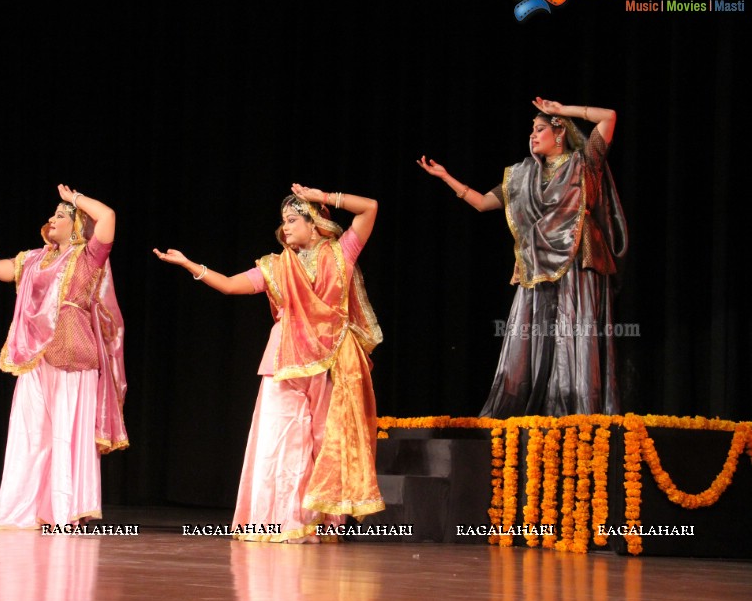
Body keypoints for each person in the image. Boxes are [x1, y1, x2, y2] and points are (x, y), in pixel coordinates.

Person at [154, 183, 384, 543]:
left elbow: (369, 207)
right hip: (284, 360)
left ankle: (321, 523)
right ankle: (280, 520)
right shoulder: (277, 267)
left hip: (330, 360)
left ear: (315, 223)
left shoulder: (340, 255)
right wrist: (189, 265)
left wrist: (323, 197)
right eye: (284, 221)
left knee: (326, 441)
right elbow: (230, 286)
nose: (285, 227)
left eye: (293, 220)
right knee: (278, 440)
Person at [418, 97, 627, 418]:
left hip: (576, 261)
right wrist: (447, 178)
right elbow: (482, 203)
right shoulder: (522, 176)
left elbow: (609, 117)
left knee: (575, 331)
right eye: (532, 130)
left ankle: (578, 408)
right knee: (532, 334)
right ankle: (536, 404)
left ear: (559, 133)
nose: (532, 135)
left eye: (540, 128)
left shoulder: (585, 162)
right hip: (537, 263)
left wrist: (562, 111)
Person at [0, 185, 127, 528]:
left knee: (66, 432)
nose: (51, 219)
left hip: (73, 353)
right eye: (53, 214)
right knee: (29, 432)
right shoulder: (32, 259)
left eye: (60, 215)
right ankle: (23, 512)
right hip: (33, 355)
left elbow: (108, 217)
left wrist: (74, 199)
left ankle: (63, 511)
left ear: (76, 224)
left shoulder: (87, 256)